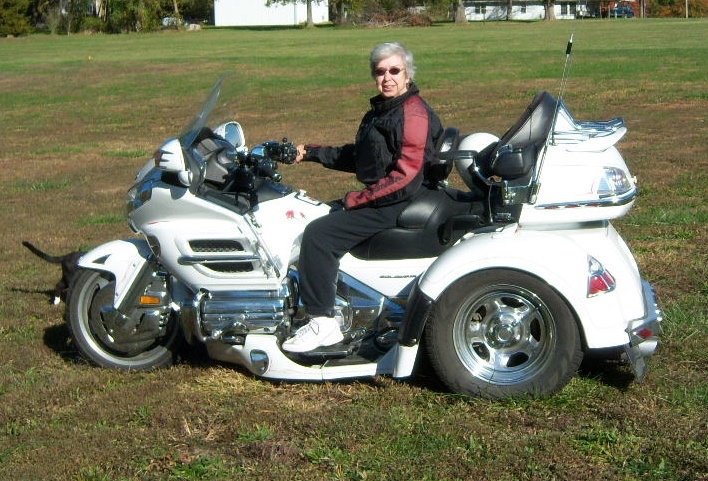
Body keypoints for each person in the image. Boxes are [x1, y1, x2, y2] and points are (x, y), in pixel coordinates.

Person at [282, 41, 444, 353]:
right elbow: (363, 157)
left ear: (408, 74)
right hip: (389, 196)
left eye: (394, 70)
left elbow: (405, 176)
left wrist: (356, 200)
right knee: (312, 213)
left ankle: (322, 324)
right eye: (380, 72)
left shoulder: (413, 114)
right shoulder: (384, 111)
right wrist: (309, 153)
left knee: (318, 234)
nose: (387, 77)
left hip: (400, 201)